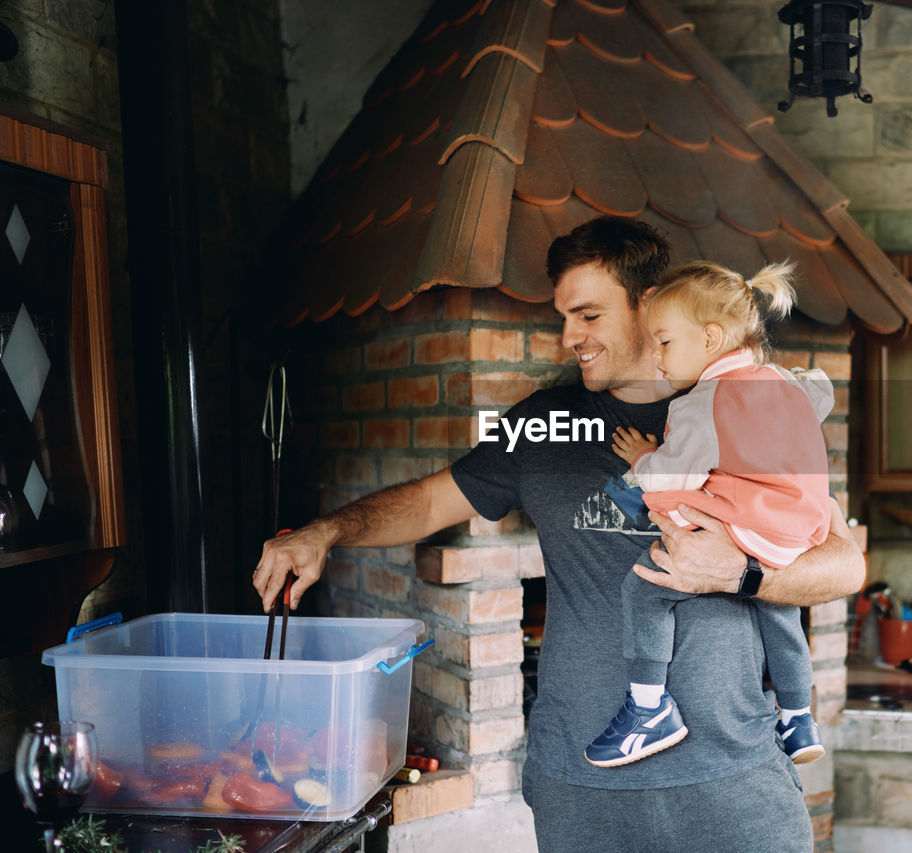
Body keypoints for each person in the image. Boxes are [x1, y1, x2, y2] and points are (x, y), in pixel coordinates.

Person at [252, 216, 865, 853]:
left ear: (648, 306)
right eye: (564, 317)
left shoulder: (747, 404)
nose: (570, 336)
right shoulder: (546, 423)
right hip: (582, 783)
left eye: (589, 315)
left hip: (736, 785)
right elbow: (435, 498)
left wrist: (739, 575)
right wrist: (325, 532)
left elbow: (844, 566)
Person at [584, 260, 832, 770]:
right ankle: (797, 715)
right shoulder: (786, 383)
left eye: (665, 343)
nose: (656, 359)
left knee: (645, 587)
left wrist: (640, 459)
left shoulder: (701, 404)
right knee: (780, 611)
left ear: (712, 337)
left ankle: (651, 709)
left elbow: (665, 480)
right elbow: (820, 396)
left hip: (743, 529)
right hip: (795, 533)